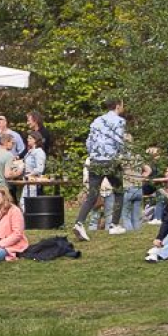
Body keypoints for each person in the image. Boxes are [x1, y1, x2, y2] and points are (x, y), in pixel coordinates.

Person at [70, 99, 129, 241]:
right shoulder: (119, 121)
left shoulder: (97, 121)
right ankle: (114, 225)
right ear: (117, 106)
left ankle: (79, 222)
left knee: (92, 195)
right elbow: (119, 140)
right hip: (110, 160)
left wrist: (93, 155)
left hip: (95, 160)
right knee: (119, 192)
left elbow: (89, 141)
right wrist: (124, 155)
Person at [0, 133, 21, 197]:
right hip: (5, 189)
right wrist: (18, 173)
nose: (13, 145)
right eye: (12, 143)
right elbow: (7, 175)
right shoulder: (8, 155)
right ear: (6, 142)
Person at [21, 133, 47, 198]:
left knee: (29, 202)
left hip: (33, 181)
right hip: (27, 180)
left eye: (30, 138)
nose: (28, 140)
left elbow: (39, 169)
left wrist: (29, 175)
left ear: (35, 140)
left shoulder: (39, 152)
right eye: (28, 138)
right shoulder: (30, 151)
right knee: (23, 202)